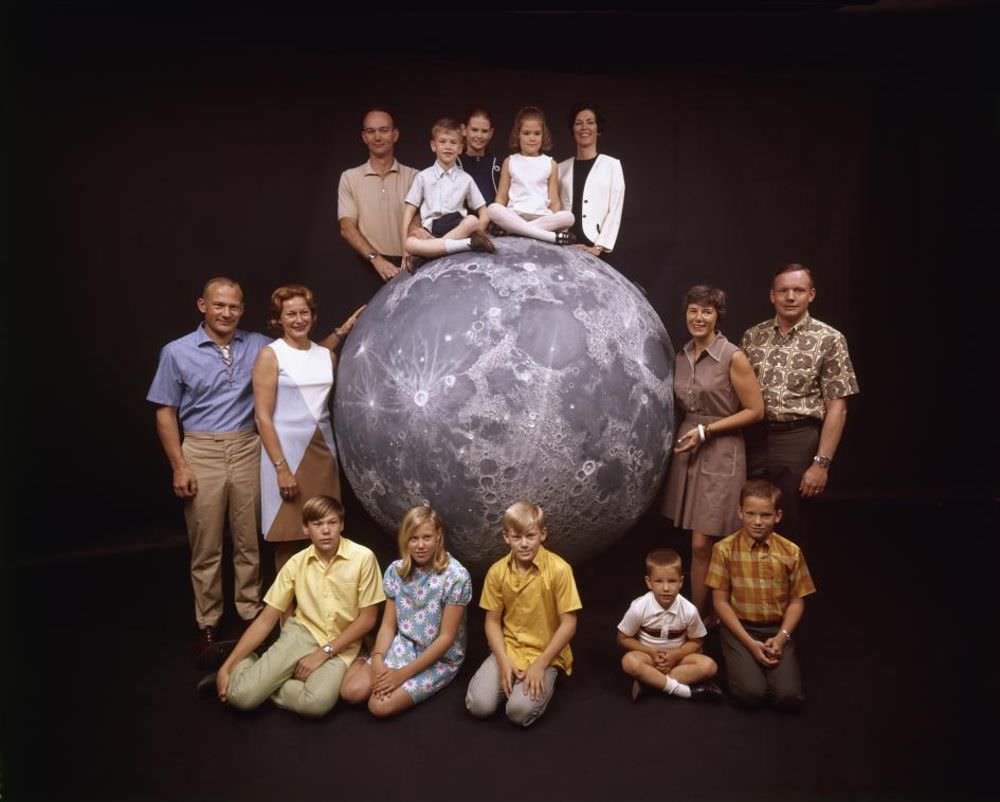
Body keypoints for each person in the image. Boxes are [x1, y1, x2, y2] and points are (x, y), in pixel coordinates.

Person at [147, 277, 270, 663]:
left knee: (249, 540)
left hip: (248, 444)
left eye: (234, 306)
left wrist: (340, 333)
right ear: (202, 305)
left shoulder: (259, 345)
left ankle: (250, 615)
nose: (226, 313)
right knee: (207, 545)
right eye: (219, 305)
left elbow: (305, 355)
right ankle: (209, 623)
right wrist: (179, 466)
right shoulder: (177, 352)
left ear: (242, 309)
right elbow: (165, 410)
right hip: (200, 449)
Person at [206, 495, 384, 718]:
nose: (326, 530)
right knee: (241, 698)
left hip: (342, 645)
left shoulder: (363, 558)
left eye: (332, 523)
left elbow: (368, 619)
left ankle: (262, 680)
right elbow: (266, 620)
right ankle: (248, 665)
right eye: (318, 524)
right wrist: (227, 667)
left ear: (342, 525)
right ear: (306, 528)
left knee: (317, 703)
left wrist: (323, 653)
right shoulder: (296, 563)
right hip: (302, 633)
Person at [662, 286, 764, 619]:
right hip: (689, 448)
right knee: (695, 540)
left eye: (707, 311)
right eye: (693, 310)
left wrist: (707, 430)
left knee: (703, 543)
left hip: (720, 448)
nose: (698, 318)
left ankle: (703, 617)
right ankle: (702, 615)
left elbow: (755, 410)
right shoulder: (682, 355)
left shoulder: (732, 356)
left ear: (718, 316)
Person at [740, 263, 859, 546]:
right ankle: (752, 589)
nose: (790, 297)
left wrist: (821, 464)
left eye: (798, 290)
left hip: (797, 439)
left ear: (811, 294)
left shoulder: (829, 339)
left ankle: (790, 590)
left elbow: (838, 409)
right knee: (749, 518)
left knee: (791, 523)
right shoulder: (752, 337)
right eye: (783, 291)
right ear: (772, 296)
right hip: (752, 438)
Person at [252, 285, 363, 573]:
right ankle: (285, 616)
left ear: (312, 317)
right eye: (290, 314)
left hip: (324, 454)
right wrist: (281, 468)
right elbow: (262, 417)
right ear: (279, 319)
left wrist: (343, 329)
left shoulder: (327, 356)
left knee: (326, 537)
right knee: (287, 539)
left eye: (304, 313)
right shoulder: (270, 355)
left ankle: (323, 610)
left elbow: (312, 361)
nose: (298, 319)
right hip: (285, 457)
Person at [346, 506, 473, 718]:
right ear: (405, 540)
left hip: (438, 657)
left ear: (438, 537)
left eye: (427, 537)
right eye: (413, 539)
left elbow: (446, 638)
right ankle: (364, 655)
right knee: (351, 693)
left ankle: (399, 676)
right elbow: (388, 625)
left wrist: (401, 675)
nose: (420, 545)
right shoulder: (396, 571)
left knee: (379, 706)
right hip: (403, 645)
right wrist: (378, 659)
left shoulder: (456, 576)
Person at [465, 501, 581, 728]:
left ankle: (545, 680)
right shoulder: (497, 571)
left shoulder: (560, 569)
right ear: (506, 537)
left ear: (542, 534)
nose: (524, 544)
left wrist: (540, 665)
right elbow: (491, 621)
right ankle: (509, 679)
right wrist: (502, 660)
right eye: (517, 537)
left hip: (544, 653)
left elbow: (569, 624)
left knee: (518, 712)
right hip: (509, 648)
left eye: (530, 536)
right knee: (479, 706)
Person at [706, 479, 816, 710]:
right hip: (740, 629)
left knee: (788, 696)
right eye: (751, 513)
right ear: (740, 513)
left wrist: (782, 637)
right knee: (751, 694)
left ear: (778, 516)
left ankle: (770, 660)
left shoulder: (791, 551)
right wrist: (750, 643)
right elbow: (720, 602)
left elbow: (797, 600)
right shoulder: (724, 549)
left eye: (765, 515)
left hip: (776, 629)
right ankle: (740, 664)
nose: (757, 522)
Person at [617, 548, 722, 703]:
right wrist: (650, 652)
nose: (666, 588)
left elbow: (697, 641)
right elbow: (623, 638)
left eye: (672, 581)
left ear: (681, 582)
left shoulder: (689, 610)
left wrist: (676, 655)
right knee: (629, 661)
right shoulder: (639, 607)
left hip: (678, 660)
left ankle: (650, 683)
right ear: (649, 582)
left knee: (709, 666)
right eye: (659, 581)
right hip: (649, 658)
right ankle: (684, 691)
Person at [338, 108, 418, 283]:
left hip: (409, 265)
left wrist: (409, 255)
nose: (377, 137)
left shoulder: (415, 177)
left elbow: (419, 221)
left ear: (395, 134)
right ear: (364, 137)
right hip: (367, 266)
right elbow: (346, 227)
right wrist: (376, 259)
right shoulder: (349, 178)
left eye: (384, 130)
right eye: (371, 131)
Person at [402, 118, 494, 265]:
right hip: (430, 231)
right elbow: (409, 211)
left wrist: (479, 229)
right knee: (410, 243)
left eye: (453, 142)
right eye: (443, 141)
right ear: (433, 146)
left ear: (460, 148)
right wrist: (404, 251)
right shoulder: (422, 177)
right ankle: (464, 245)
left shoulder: (466, 179)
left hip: (457, 228)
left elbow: (483, 211)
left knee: (472, 220)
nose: (448, 146)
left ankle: (433, 251)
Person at [487, 106, 576, 246]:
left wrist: (554, 218)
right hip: (515, 215)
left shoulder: (550, 163)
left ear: (543, 135)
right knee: (492, 209)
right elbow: (501, 197)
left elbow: (554, 201)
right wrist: (499, 215)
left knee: (569, 217)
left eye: (537, 133)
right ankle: (549, 237)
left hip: (542, 216)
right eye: (526, 133)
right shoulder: (510, 161)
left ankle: (514, 231)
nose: (532, 138)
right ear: (518, 135)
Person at [557, 103, 625, 258]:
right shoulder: (561, 168)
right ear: (573, 129)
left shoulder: (612, 165)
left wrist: (599, 247)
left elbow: (615, 209)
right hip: (565, 246)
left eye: (590, 122)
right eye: (578, 123)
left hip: (596, 247)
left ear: (598, 128)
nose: (584, 127)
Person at [458, 107, 501, 204]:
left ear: (491, 133)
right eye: (474, 130)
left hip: (493, 217)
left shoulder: (498, 165)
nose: (479, 136)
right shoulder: (454, 164)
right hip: (463, 218)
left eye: (484, 131)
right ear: (464, 130)